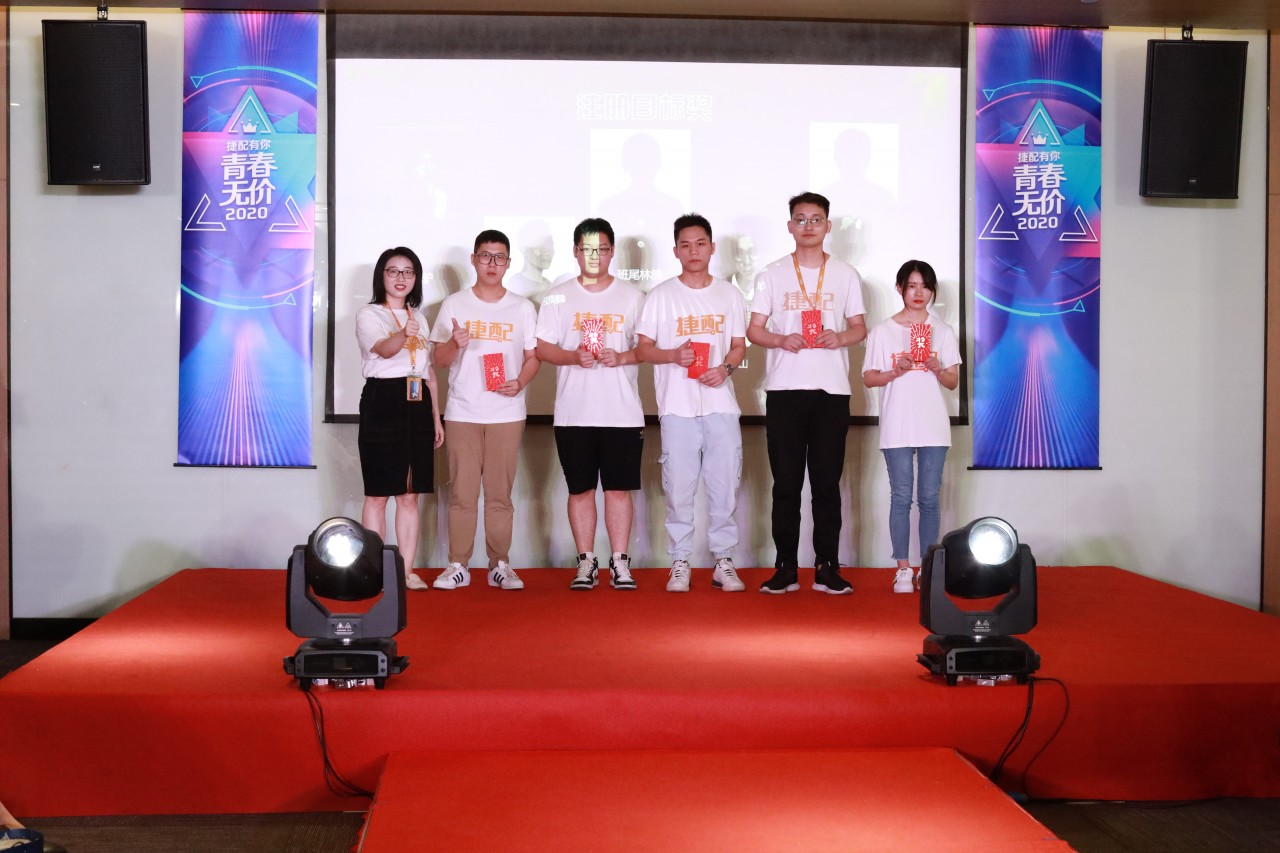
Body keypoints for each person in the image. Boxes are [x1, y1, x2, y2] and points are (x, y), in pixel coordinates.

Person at [747, 192, 867, 595]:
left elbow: (859, 328)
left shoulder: (845, 274)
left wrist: (840, 337)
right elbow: (754, 329)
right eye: (801, 219)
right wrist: (781, 339)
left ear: (828, 226)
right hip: (785, 391)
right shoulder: (771, 274)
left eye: (816, 219)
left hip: (831, 392)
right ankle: (785, 566)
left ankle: (827, 566)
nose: (808, 226)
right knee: (785, 485)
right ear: (790, 226)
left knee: (826, 486)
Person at [636, 214, 747, 593]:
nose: (693, 251)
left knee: (724, 489)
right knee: (679, 490)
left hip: (721, 406)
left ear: (712, 248)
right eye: (685, 245)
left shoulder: (729, 294)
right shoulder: (661, 295)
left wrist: (725, 369)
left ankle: (723, 561)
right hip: (677, 408)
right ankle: (680, 560)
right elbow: (643, 348)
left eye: (700, 244)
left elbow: (738, 345)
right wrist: (672, 355)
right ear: (675, 251)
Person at [535, 218, 645, 590]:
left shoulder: (632, 296)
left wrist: (622, 356)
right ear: (575, 252)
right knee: (580, 489)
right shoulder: (558, 295)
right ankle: (586, 562)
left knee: (618, 490)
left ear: (612, 252)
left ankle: (620, 562)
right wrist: (573, 356)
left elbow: (646, 347)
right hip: (574, 412)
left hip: (622, 412)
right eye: (587, 249)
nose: (594, 256)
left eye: (602, 249)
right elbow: (542, 347)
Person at [429, 230, 541, 591]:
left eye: (499, 257)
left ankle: (500, 564)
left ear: (508, 263)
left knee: (499, 496)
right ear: (474, 260)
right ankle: (458, 565)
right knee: (462, 494)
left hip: (506, 413)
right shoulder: (454, 304)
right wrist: (454, 343)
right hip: (463, 411)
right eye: (485, 256)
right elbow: (439, 359)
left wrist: (520, 382)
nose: (492, 264)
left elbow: (533, 357)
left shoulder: (522, 307)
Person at [862, 260, 961, 592]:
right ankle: (903, 568)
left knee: (930, 498)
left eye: (925, 286)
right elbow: (869, 378)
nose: (919, 293)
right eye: (912, 286)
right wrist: (896, 371)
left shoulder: (942, 331)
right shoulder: (883, 331)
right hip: (897, 423)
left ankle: (928, 568)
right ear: (900, 288)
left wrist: (938, 368)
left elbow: (952, 382)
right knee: (901, 497)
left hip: (933, 424)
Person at [355, 247, 444, 592]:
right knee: (378, 494)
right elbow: (385, 350)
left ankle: (405, 572)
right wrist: (404, 333)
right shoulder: (369, 314)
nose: (401, 278)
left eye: (408, 272)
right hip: (383, 400)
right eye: (393, 271)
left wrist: (436, 418)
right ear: (382, 276)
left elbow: (428, 371)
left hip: (417, 400)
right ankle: (375, 572)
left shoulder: (418, 317)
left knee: (409, 495)